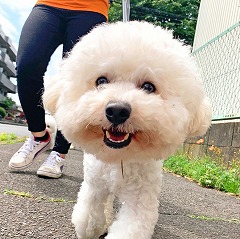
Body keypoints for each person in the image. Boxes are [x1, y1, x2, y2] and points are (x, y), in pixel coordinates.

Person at [9, 0, 109, 178]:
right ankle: (39, 136)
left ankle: (59, 153)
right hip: (49, 4)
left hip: (91, 9)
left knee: (76, 79)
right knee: (27, 66)